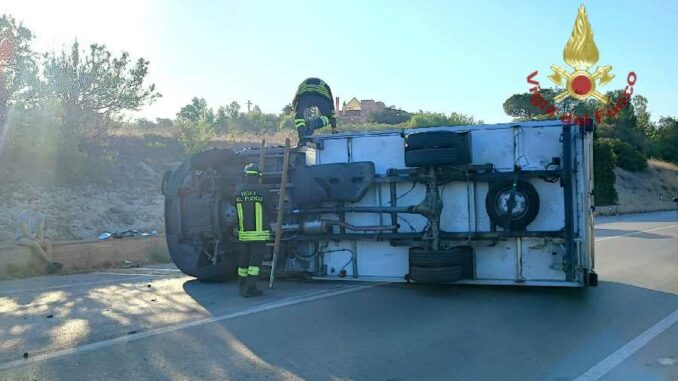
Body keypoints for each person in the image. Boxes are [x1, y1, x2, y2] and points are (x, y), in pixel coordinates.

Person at [235, 163, 275, 297]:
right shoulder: (262, 190)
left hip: (243, 234)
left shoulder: (238, 190)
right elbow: (271, 208)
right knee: (254, 264)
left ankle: (242, 286)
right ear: (258, 176)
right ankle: (250, 288)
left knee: (243, 263)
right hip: (258, 234)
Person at [15, 197, 63, 273]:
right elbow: (25, 231)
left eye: (39, 203)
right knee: (35, 244)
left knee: (47, 242)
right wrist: (35, 240)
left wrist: (40, 239)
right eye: (35, 203)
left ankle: (49, 268)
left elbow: (41, 230)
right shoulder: (23, 215)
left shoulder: (41, 216)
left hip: (34, 237)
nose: (38, 205)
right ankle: (50, 263)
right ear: (29, 204)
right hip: (22, 238)